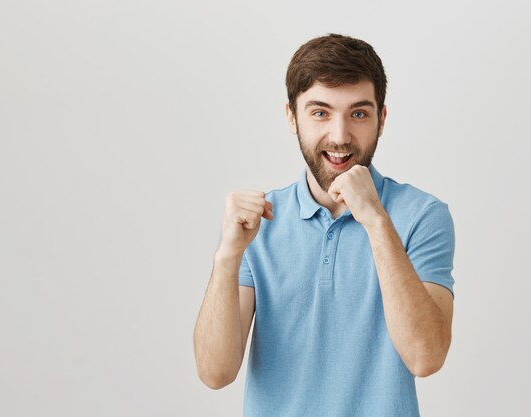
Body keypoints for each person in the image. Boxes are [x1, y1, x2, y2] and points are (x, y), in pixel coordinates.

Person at [193, 33, 455, 417]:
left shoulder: (423, 215)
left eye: (359, 114)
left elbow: (425, 357)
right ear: (291, 117)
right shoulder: (257, 222)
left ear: (381, 120)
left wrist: (376, 220)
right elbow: (215, 373)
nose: (340, 136)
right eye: (320, 113)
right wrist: (227, 257)